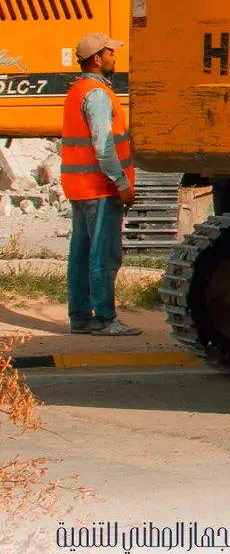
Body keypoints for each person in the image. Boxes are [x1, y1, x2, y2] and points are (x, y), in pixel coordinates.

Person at [60, 30, 139, 337]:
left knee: (80, 253)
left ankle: (80, 317)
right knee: (103, 256)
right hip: (100, 188)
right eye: (110, 53)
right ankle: (104, 318)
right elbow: (104, 146)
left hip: (79, 187)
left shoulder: (76, 91)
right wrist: (121, 183)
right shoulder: (97, 96)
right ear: (97, 59)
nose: (114, 57)